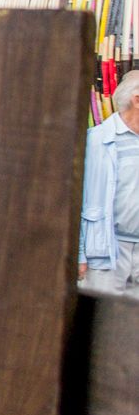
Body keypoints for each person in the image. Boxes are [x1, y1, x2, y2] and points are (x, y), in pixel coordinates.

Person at [79, 70, 139, 298]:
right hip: (107, 251)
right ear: (137, 100)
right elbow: (81, 202)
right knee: (100, 323)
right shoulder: (96, 141)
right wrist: (80, 254)